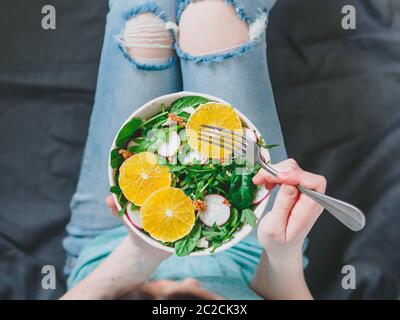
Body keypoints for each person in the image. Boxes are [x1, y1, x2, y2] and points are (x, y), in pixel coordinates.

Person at [62, 0, 326, 299]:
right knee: (212, 17)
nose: (191, 282)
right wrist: (282, 252)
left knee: (143, 24)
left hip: (113, 243)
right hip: (251, 247)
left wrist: (139, 254)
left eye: (160, 294)